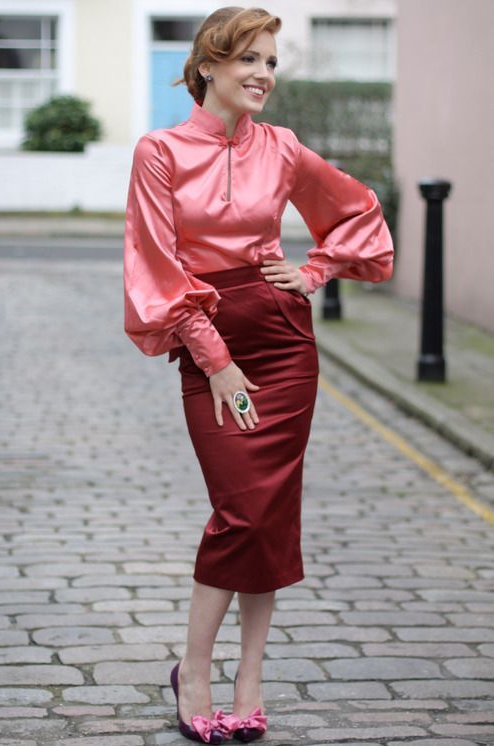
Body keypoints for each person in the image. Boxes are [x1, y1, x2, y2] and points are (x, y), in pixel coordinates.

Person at [123, 6, 393, 744]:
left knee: (270, 516)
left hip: (283, 340)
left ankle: (250, 679)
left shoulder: (283, 147)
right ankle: (196, 670)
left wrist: (314, 269)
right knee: (239, 513)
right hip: (214, 346)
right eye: (251, 60)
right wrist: (218, 363)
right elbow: (158, 266)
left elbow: (359, 212)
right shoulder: (160, 152)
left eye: (272, 62)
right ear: (208, 64)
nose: (264, 75)